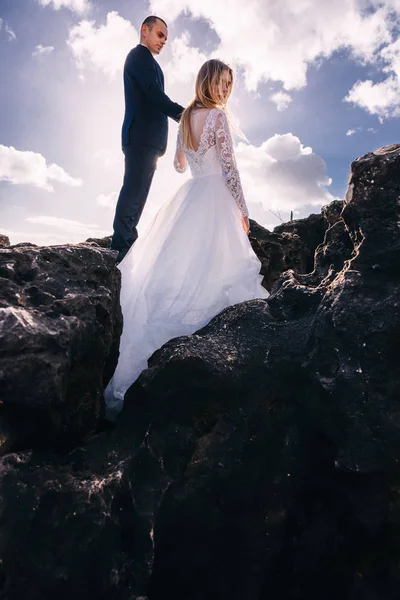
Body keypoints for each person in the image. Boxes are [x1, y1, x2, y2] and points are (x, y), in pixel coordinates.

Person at [105, 59, 269, 418]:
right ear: (208, 82)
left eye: (230, 85)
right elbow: (229, 167)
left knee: (180, 271)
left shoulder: (185, 119)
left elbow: (179, 165)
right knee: (214, 270)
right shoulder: (217, 117)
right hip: (214, 197)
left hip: (190, 194)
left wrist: (191, 155)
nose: (226, 90)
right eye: (222, 83)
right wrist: (242, 210)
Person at [110, 15, 184, 264]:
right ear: (145, 30)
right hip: (139, 136)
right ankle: (119, 244)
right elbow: (153, 95)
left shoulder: (152, 63)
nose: (164, 41)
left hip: (150, 142)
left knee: (140, 193)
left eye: (166, 38)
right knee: (133, 191)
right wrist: (184, 115)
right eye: (160, 35)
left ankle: (127, 242)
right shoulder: (138, 56)